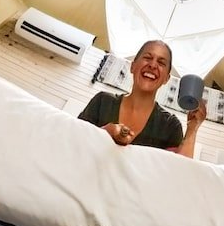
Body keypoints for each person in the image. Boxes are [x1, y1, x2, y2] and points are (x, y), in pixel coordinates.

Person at [78, 40, 206, 157]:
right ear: (133, 66)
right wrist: (105, 132)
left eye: (161, 63)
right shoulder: (103, 102)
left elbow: (177, 171)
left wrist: (192, 128)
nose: (153, 65)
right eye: (147, 58)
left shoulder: (170, 125)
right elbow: (74, 140)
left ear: (166, 78)